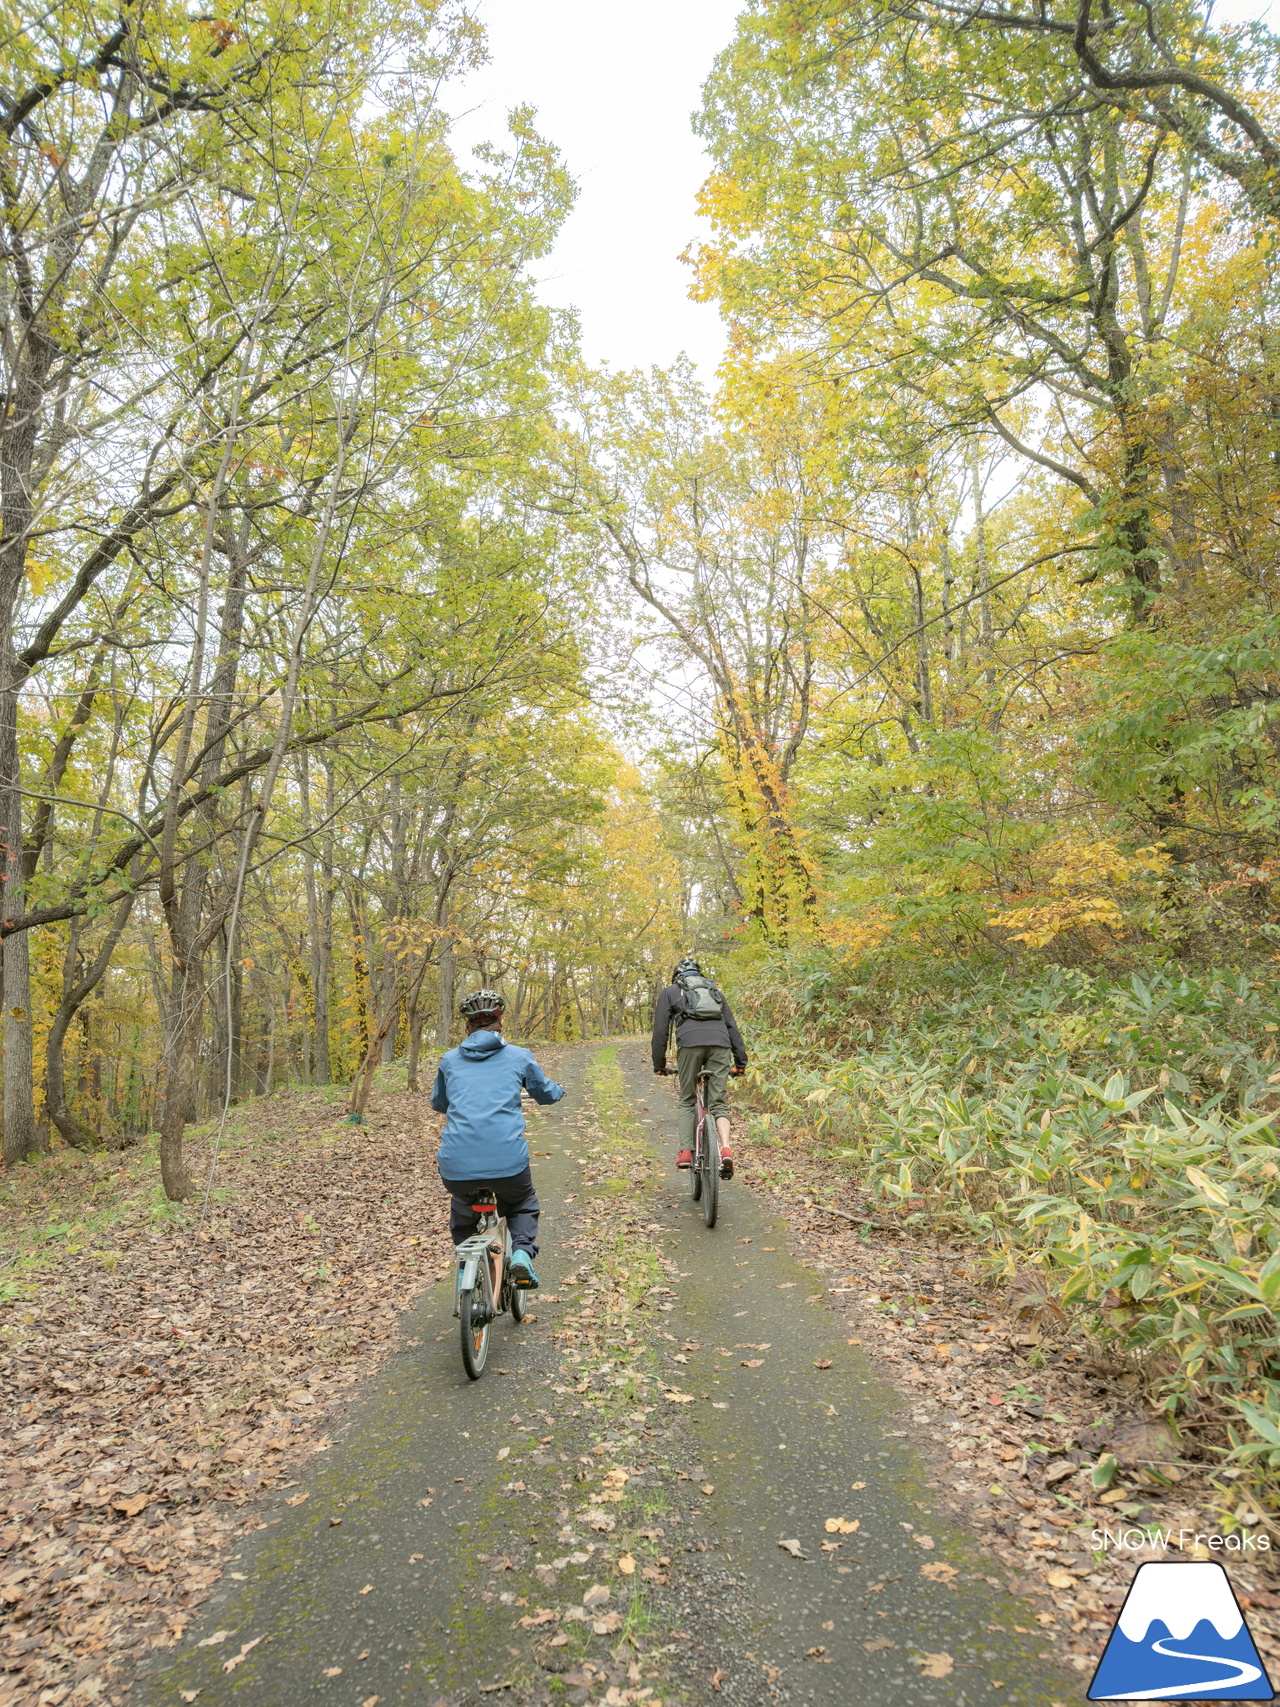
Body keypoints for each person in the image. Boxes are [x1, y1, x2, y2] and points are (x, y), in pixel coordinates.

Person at [431, 987, 564, 1290]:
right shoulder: (518, 1056)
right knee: (522, 1202)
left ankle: (469, 1266)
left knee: (463, 1207)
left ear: (466, 1027)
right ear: (500, 1022)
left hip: (456, 1167)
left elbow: (439, 1104)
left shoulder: (449, 1060)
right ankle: (521, 1252)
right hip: (508, 1164)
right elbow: (544, 1094)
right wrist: (559, 1089)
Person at [651, 957, 747, 1180]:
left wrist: (659, 1064)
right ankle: (725, 1149)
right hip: (720, 1044)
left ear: (677, 976)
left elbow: (660, 1031)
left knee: (686, 1098)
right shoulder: (715, 992)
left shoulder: (670, 992)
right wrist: (740, 1062)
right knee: (719, 1103)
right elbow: (732, 1026)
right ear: (699, 975)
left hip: (690, 1044)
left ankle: (686, 1152)